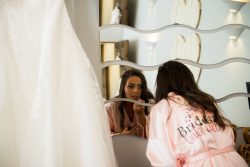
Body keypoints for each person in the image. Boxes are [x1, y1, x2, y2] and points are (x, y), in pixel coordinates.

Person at [146, 61, 248, 167]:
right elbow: (229, 132)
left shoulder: (161, 108)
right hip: (233, 160)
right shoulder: (204, 100)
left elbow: (160, 154)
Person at [104, 69, 154, 138]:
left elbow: (156, 136)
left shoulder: (151, 105)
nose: (136, 91)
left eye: (140, 87)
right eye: (131, 86)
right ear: (123, 88)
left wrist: (141, 115)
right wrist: (121, 136)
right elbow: (103, 137)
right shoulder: (110, 108)